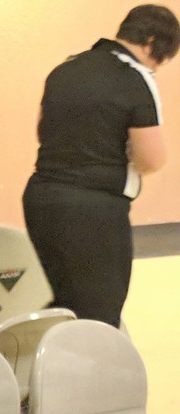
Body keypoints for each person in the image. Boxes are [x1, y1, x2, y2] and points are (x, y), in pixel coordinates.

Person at [23, 4, 180, 328]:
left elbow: (42, 131)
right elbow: (151, 157)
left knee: (66, 302)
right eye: (162, 58)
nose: (158, 66)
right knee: (99, 314)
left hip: (41, 199)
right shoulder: (135, 77)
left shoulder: (65, 68)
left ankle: (46, 356)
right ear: (151, 42)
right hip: (94, 209)